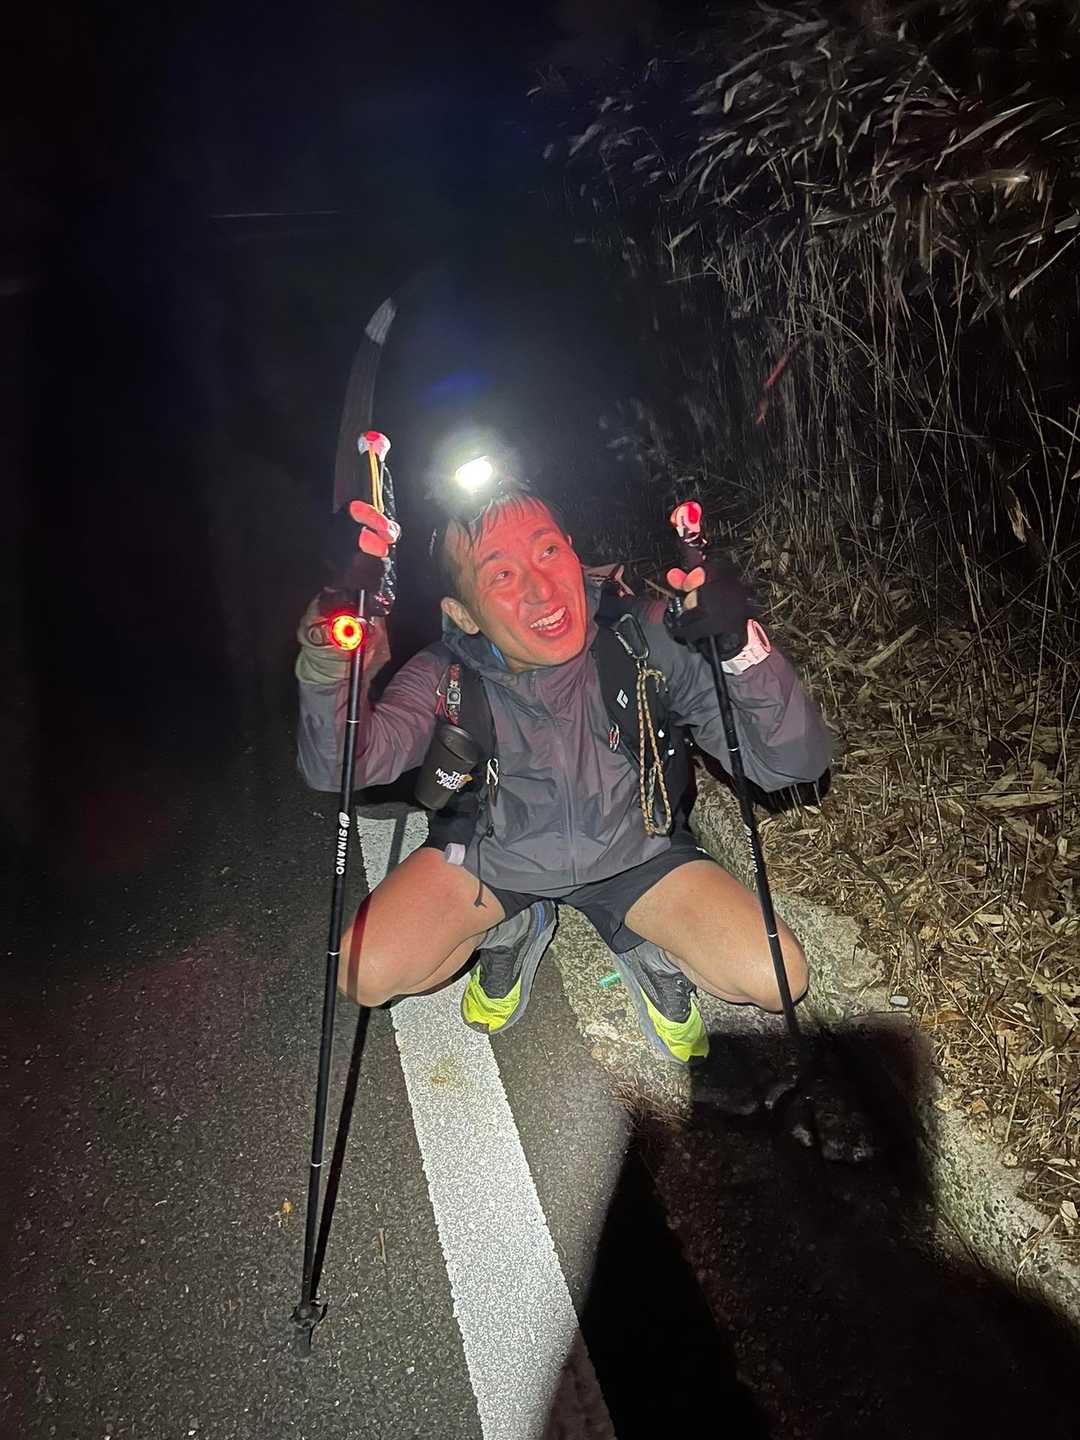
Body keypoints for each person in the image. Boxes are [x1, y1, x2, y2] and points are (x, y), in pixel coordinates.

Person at [294, 481, 832, 1064]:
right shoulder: (443, 674)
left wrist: (741, 649)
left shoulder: (645, 639)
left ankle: (649, 948)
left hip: (642, 856)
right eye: (501, 574)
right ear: (462, 614)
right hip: (492, 861)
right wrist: (332, 659)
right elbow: (339, 767)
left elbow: (790, 767)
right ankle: (511, 930)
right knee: (361, 971)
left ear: (574, 553)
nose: (541, 588)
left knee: (779, 978)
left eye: (548, 550)